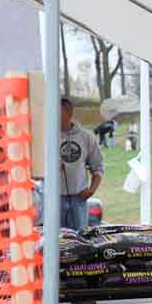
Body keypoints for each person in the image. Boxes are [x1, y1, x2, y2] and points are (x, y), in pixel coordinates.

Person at [60, 97, 104, 231]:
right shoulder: (47, 136)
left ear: (69, 113)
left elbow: (98, 166)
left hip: (79, 199)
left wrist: (91, 190)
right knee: (56, 242)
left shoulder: (86, 137)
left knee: (79, 238)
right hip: (55, 200)